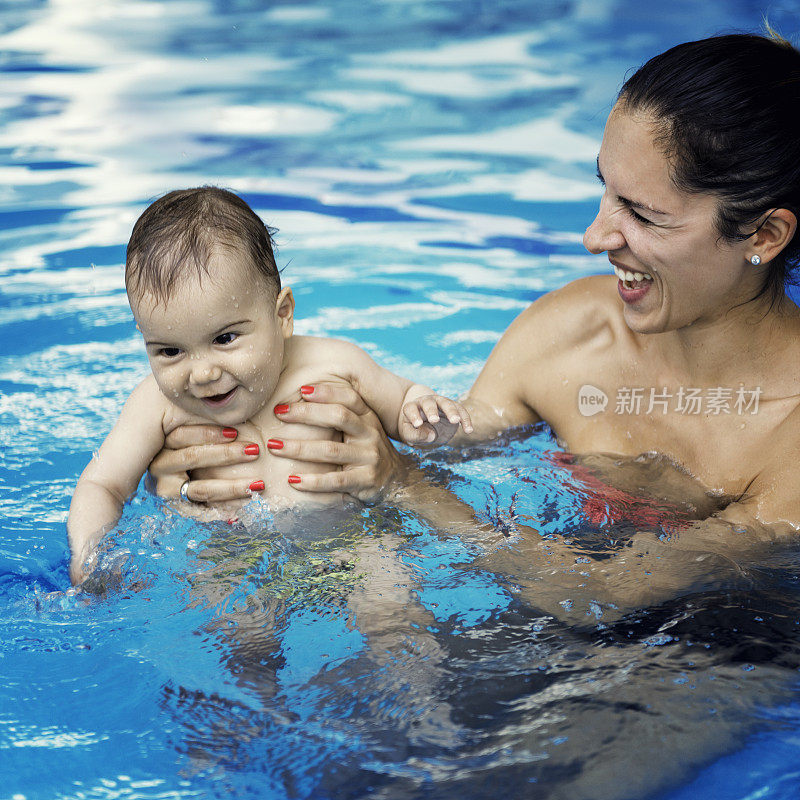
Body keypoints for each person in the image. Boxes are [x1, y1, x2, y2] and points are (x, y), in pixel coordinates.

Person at [145, 34, 800, 618]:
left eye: (643, 214)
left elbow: (602, 598)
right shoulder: (576, 328)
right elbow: (457, 437)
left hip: (721, 646)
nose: (596, 235)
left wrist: (403, 486)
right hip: (538, 603)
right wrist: (226, 452)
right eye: (604, 190)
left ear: (764, 235)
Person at [67, 187, 472, 584]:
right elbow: (102, 484)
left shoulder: (333, 364)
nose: (202, 373)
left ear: (282, 315)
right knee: (238, 625)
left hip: (353, 540)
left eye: (225, 339)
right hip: (230, 554)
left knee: (390, 605)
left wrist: (424, 413)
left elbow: (401, 399)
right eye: (170, 351)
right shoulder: (154, 404)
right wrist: (91, 556)